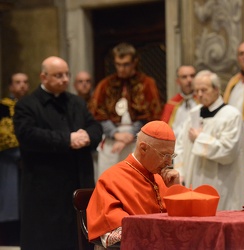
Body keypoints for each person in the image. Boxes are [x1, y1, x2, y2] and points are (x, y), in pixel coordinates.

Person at [13, 56, 103, 250]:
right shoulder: (27, 104)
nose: (65, 79)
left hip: (78, 180)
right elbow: (28, 135)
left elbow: (95, 127)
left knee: (78, 238)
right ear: (43, 77)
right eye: (58, 75)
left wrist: (87, 135)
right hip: (45, 186)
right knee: (47, 239)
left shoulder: (76, 102)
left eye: (66, 74)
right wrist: (68, 139)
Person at [87, 120, 180, 248]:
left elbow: (180, 225)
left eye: (171, 155)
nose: (169, 162)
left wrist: (176, 190)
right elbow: (114, 230)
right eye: (164, 155)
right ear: (143, 148)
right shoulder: (112, 179)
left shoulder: (162, 179)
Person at [174, 70, 244, 210]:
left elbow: (228, 151)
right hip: (194, 181)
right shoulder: (193, 115)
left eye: (204, 90)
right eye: (196, 90)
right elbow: (180, 147)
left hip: (223, 183)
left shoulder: (231, 115)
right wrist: (180, 173)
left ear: (216, 89)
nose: (199, 95)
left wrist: (200, 138)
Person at [89, 42, 162, 181]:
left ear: (135, 62)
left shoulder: (146, 83)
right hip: (111, 142)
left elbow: (151, 115)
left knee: (136, 182)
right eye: (118, 64)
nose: (121, 69)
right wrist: (115, 134)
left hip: (137, 142)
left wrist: (130, 135)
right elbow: (98, 115)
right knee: (109, 181)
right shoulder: (105, 85)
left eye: (126, 64)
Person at [0, 73, 29, 246]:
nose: (22, 86)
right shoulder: (3, 106)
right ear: (11, 86)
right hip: (8, 160)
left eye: (25, 82)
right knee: (9, 202)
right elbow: (3, 135)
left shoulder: (33, 105)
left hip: (30, 161)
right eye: (18, 82)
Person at [161, 65, 198, 138]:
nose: (189, 80)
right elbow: (163, 130)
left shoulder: (204, 102)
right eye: (184, 77)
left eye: (192, 76)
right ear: (177, 81)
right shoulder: (172, 104)